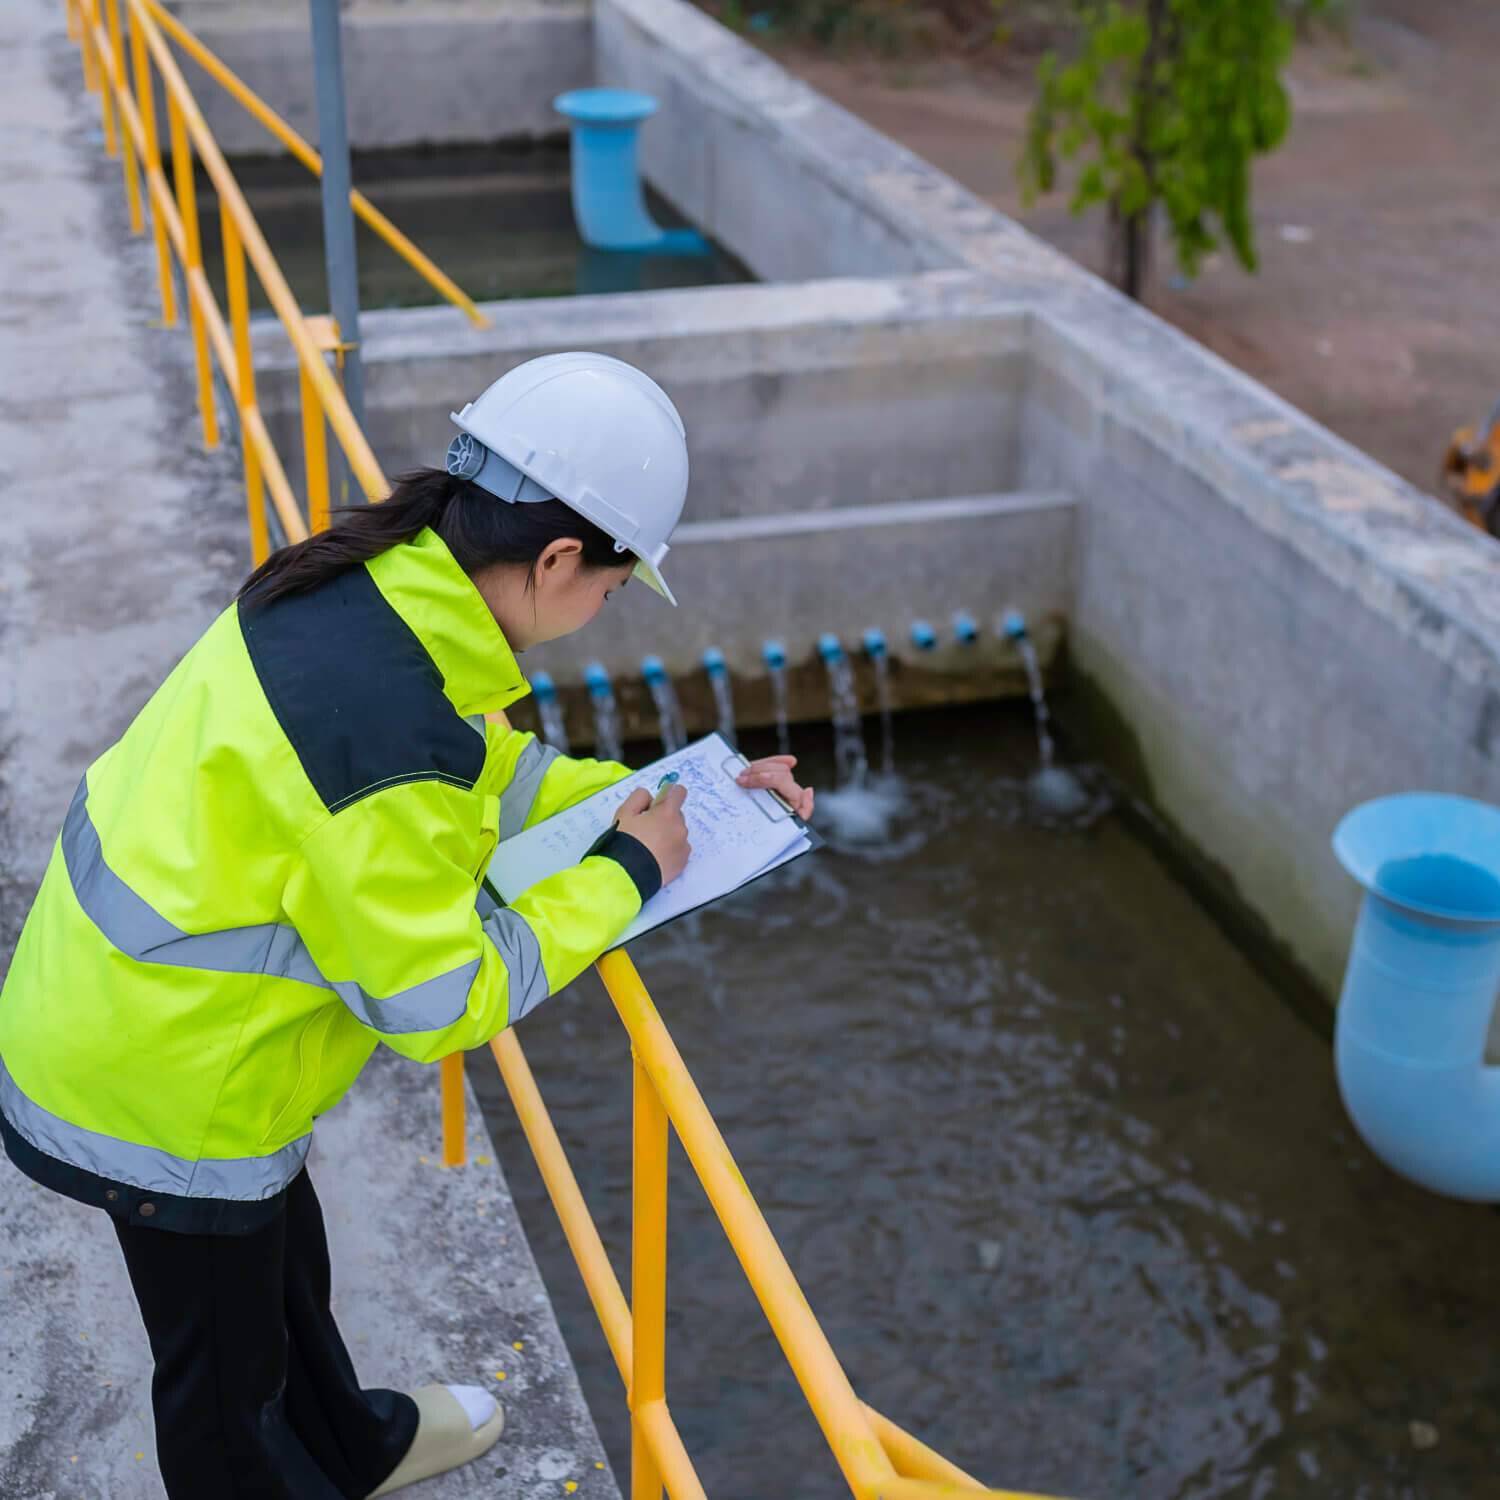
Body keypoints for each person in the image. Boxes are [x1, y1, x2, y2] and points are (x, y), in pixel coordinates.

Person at [0, 352, 815, 1499]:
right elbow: (441, 1001)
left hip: (153, 1014)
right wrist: (625, 876)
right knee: (222, 1392)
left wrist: (692, 794)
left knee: (286, 1268)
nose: (602, 614)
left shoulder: (373, 593)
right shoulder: (380, 724)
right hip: (156, 1081)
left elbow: (485, 769)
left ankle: (350, 1444)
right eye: (615, 590)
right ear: (558, 559)